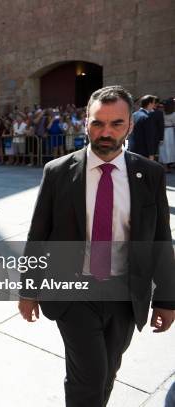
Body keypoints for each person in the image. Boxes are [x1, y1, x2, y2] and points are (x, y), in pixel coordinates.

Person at [18, 86, 175, 407]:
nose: (105, 133)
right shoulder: (58, 172)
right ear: (85, 123)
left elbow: (161, 238)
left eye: (116, 124)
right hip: (73, 291)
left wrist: (167, 299)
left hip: (126, 292)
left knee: (107, 371)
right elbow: (38, 235)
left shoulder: (150, 175)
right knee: (88, 375)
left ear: (130, 125)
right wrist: (28, 289)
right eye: (97, 123)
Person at [129, 95, 159, 159]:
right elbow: (149, 137)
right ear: (150, 104)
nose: (154, 105)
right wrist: (151, 154)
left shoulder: (134, 114)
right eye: (153, 103)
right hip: (143, 152)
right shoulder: (146, 117)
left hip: (132, 150)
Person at [158, 98, 175, 172]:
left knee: (163, 148)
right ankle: (169, 165)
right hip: (170, 131)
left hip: (162, 131)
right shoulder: (173, 113)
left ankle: (165, 165)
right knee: (170, 148)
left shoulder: (161, 112)